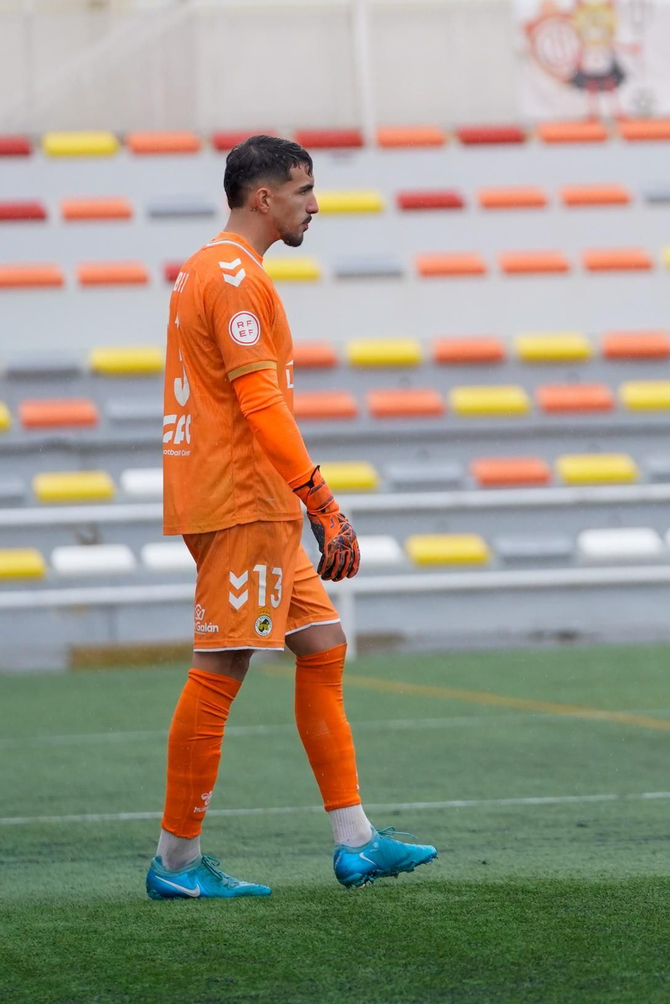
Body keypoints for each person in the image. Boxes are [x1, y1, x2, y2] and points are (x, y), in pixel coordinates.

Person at [146, 135, 437, 899]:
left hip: (248, 499)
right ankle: (175, 863)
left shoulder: (206, 270)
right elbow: (261, 404)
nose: (315, 204)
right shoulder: (235, 279)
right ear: (263, 197)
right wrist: (322, 500)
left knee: (322, 645)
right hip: (241, 498)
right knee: (221, 666)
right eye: (304, 189)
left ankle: (357, 841)